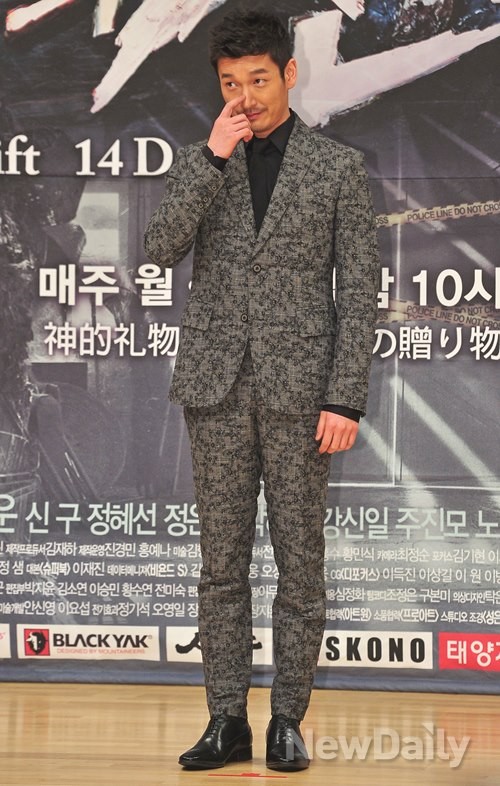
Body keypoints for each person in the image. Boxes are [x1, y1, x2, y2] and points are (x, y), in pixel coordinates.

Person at [144, 8, 380, 772]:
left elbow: (360, 294)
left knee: (299, 563)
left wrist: (345, 397)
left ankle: (286, 720)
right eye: (229, 83)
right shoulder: (205, 160)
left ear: (289, 73)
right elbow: (159, 247)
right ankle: (225, 720)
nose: (244, 96)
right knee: (220, 565)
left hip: (302, 393)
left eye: (257, 79)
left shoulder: (337, 169)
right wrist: (212, 158)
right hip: (215, 388)